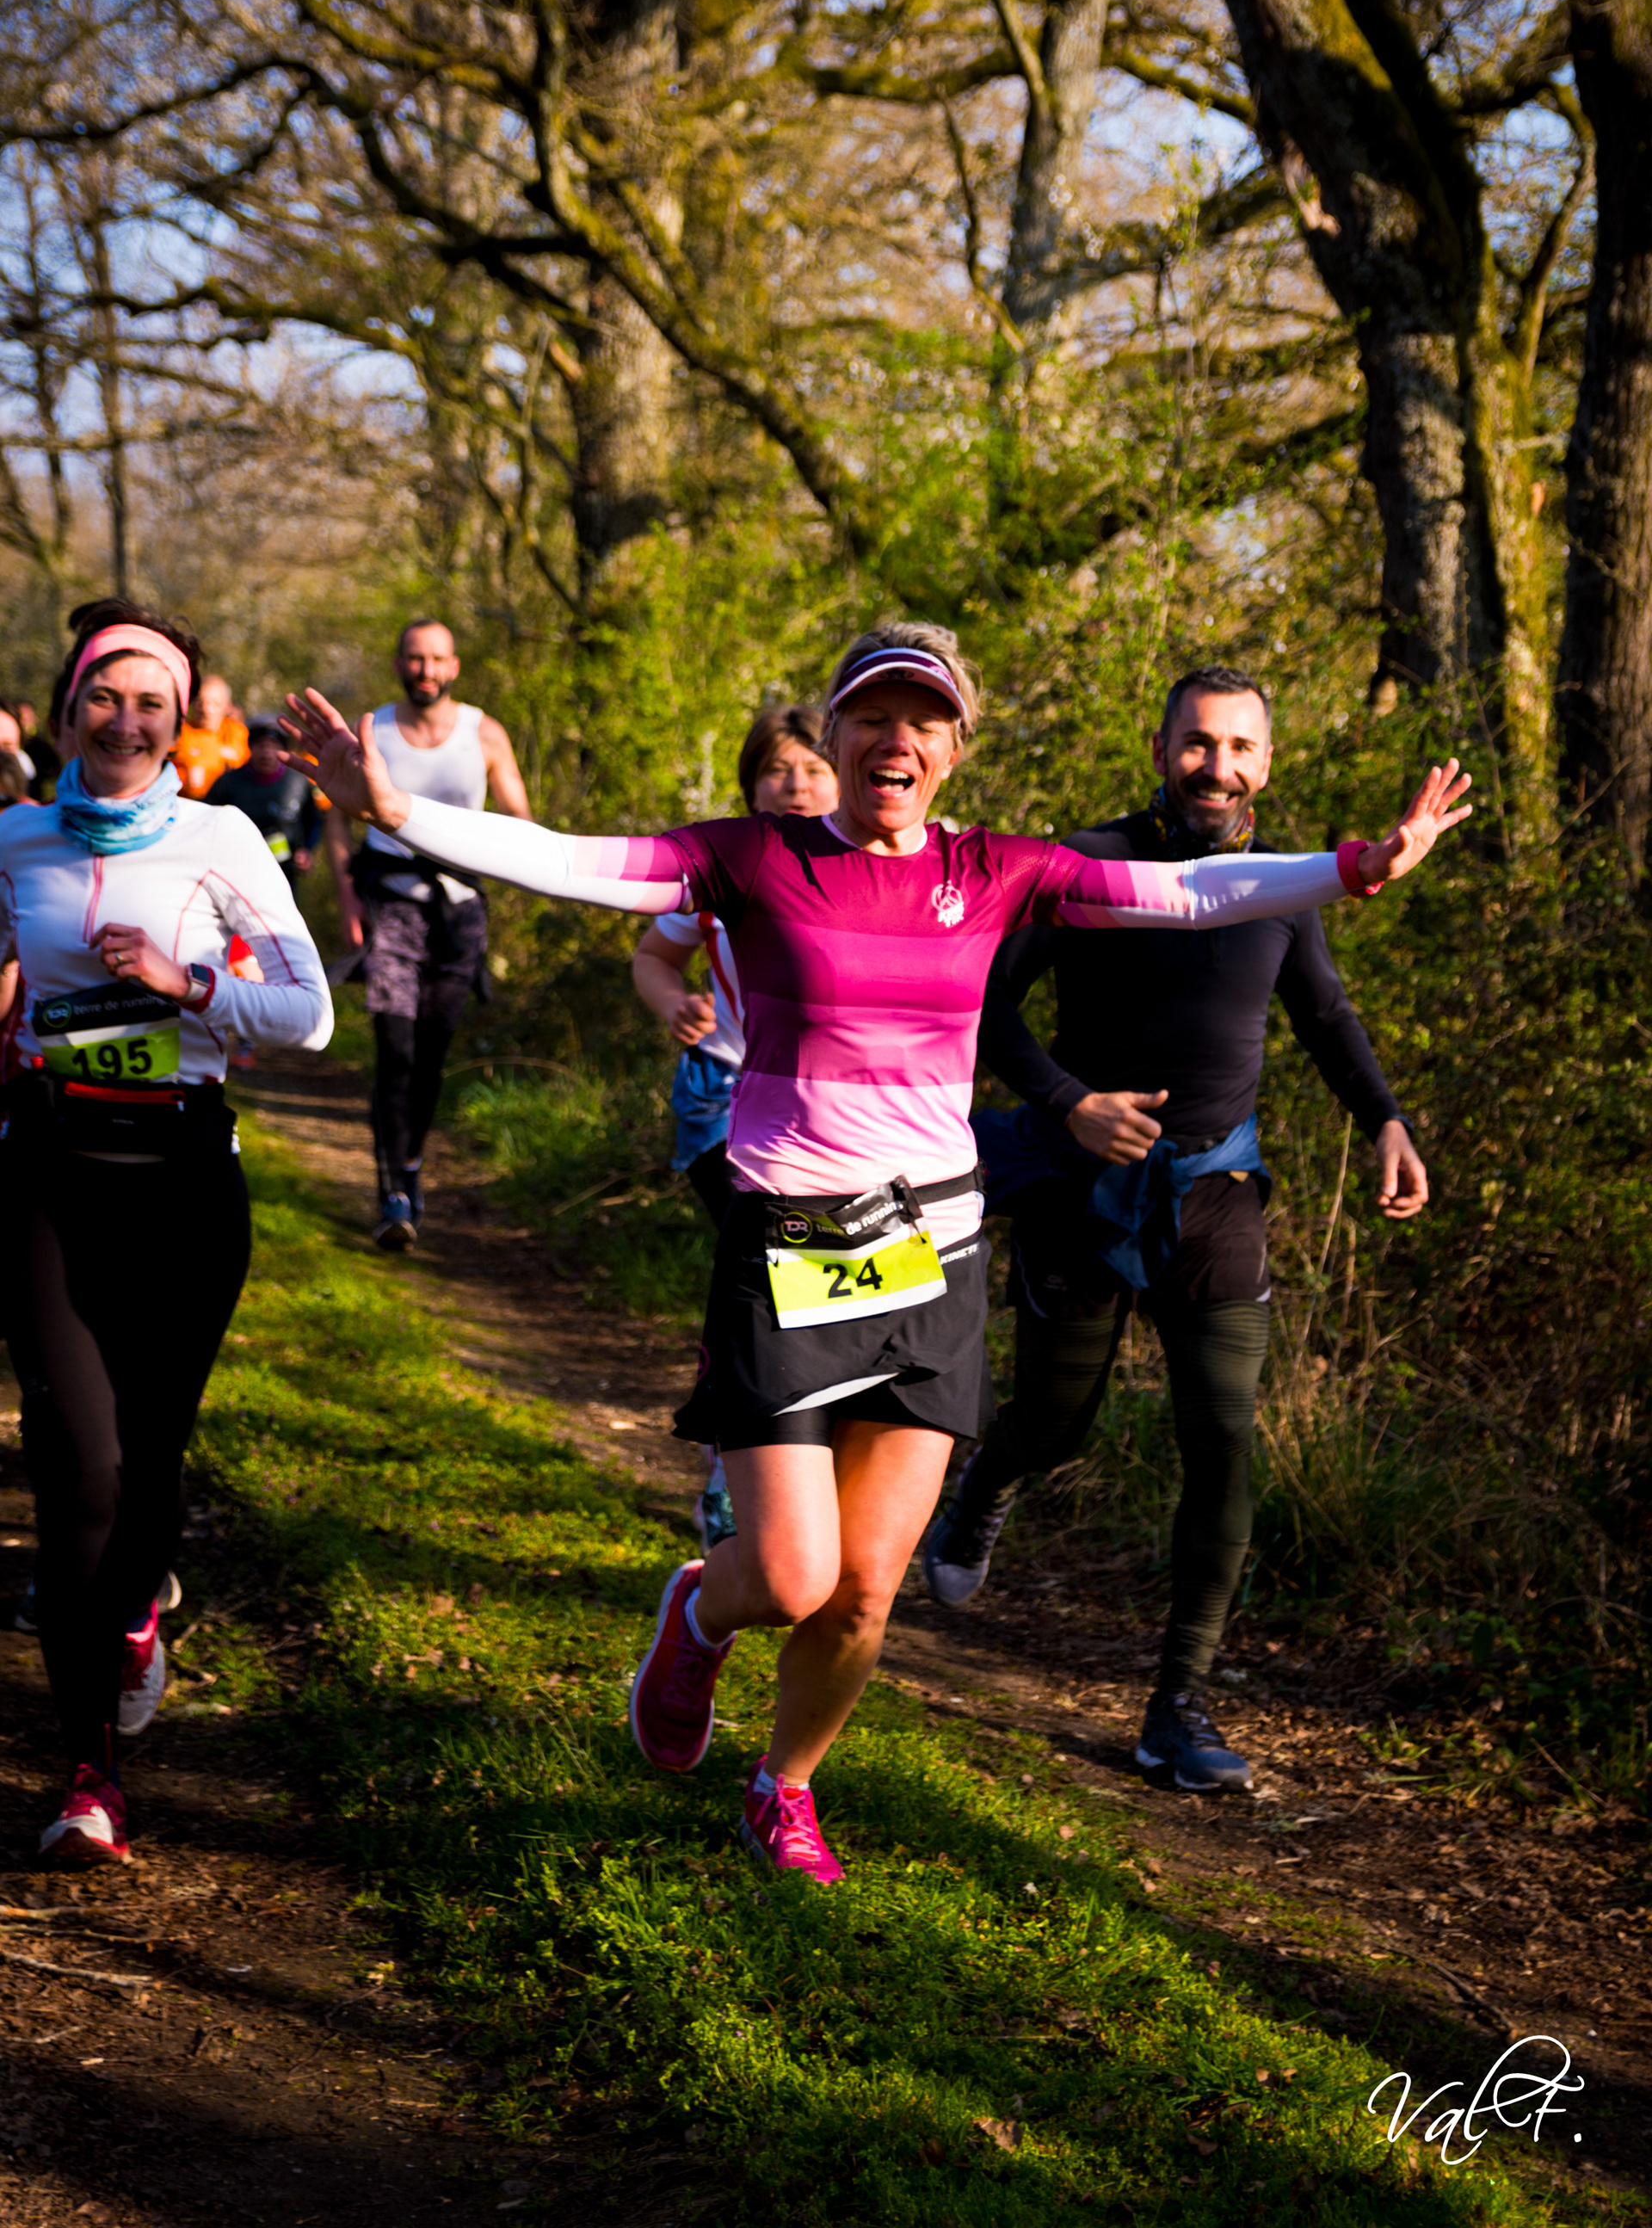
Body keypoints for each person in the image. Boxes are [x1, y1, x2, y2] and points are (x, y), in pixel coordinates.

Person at [284, 622, 1469, 1886]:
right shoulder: (753, 856)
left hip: (929, 1254)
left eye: (925, 721)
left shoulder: (1001, 871)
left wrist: (1355, 867)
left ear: (953, 750)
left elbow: (1193, 892)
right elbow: (575, 861)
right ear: (839, 734)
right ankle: (700, 1611)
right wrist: (398, 809)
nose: (897, 740)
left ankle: (784, 1788)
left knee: (863, 1590)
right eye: (873, 716)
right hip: (788, 1243)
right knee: (789, 1572)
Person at [922, 665, 1430, 1794]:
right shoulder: (1087, 864)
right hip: (1082, 1188)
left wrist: (1387, 1121)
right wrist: (1067, 1102)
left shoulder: (1281, 886)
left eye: (1240, 747)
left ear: (1268, 764)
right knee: (1056, 1426)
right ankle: (988, 1485)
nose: (1218, 766)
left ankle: (1177, 1705)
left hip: (1216, 1193)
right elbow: (985, 1003)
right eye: (1199, 743)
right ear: (1160, 751)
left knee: (1224, 1440)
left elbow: (1326, 1014)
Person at [0, 596, 332, 1866]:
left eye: (153, 703)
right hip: (48, 1174)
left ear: (180, 721)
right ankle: (89, 1773)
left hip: (183, 1181)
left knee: (148, 1466)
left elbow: (307, 1014)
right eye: (105, 695)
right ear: (69, 704)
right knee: (77, 1470)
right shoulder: (15, 839)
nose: (126, 720)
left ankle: (136, 1608)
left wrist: (186, 983)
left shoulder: (220, 836)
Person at [632, 706, 838, 1545]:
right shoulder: (723, 874)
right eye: (778, 770)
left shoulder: (878, 874)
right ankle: (731, 1477)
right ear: (752, 787)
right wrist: (673, 1004)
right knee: (778, 1276)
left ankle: (797, 1467)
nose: (796, 785)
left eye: (814, 769)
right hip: (723, 1100)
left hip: (832, 1117)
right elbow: (653, 955)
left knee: (810, 1290)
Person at [324, 618, 530, 1250]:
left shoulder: (484, 733)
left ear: (454, 667)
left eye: (438, 659)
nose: (427, 670)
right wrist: (348, 898)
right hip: (390, 907)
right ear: (398, 665)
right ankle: (392, 1193)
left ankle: (411, 1164)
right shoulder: (374, 730)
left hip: (460, 913)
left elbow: (519, 817)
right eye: (415, 658)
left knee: (431, 1056)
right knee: (396, 1049)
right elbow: (337, 821)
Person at [207, 716, 322, 891]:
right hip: (236, 876)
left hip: (284, 876)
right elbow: (208, 821)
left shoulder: (298, 783)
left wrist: (307, 850)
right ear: (250, 747)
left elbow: (314, 821)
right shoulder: (228, 783)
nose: (267, 752)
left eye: (274, 745)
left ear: (284, 749)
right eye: (260, 745)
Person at [173, 674, 250, 800]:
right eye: (201, 702)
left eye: (215, 704)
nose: (206, 710)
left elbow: (247, 767)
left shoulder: (236, 732)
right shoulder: (180, 733)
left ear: (227, 706)